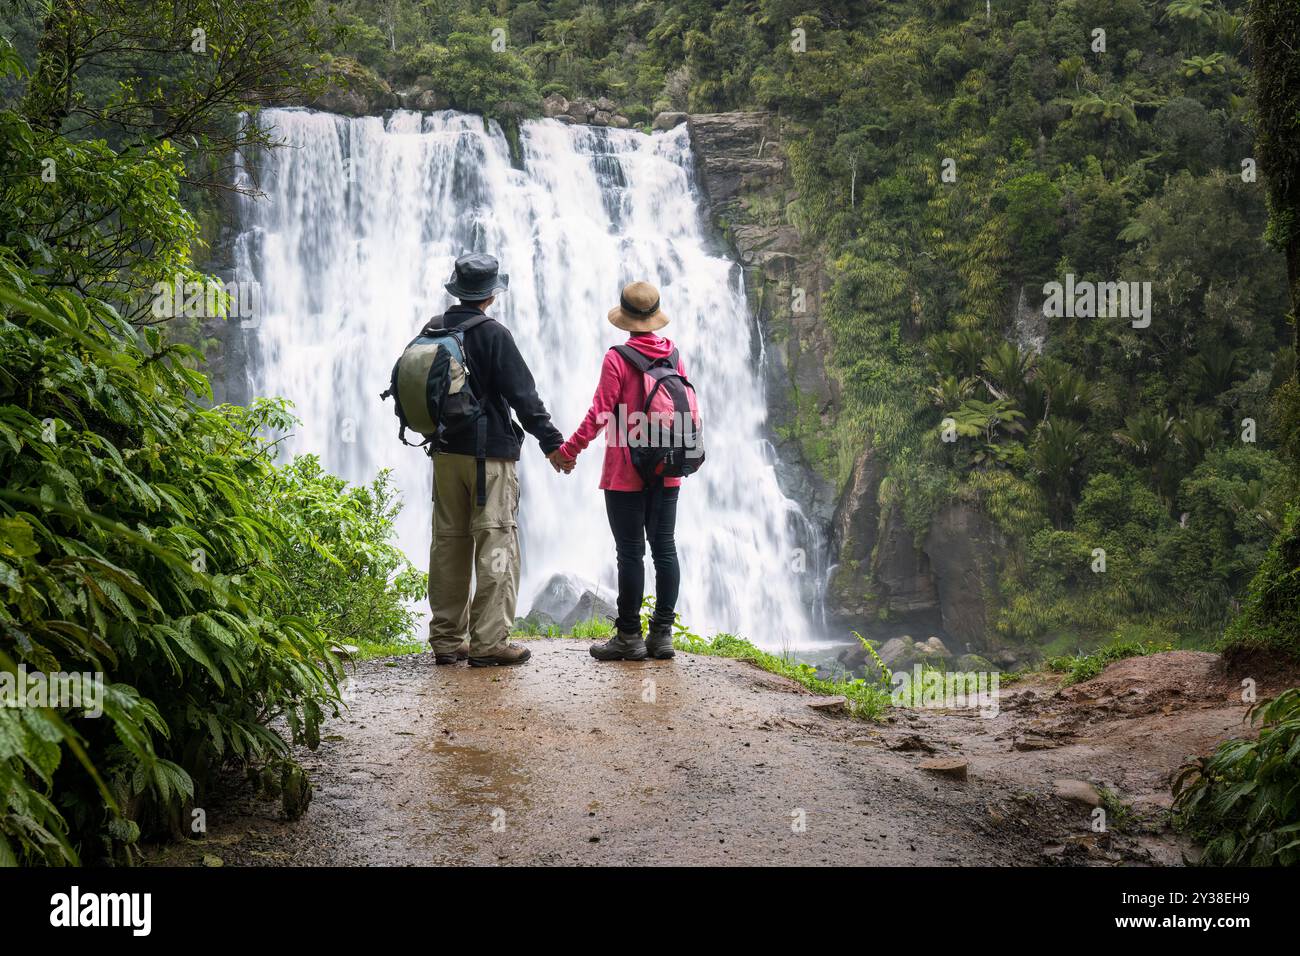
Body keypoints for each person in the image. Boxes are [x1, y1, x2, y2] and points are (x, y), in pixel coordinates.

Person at [426, 253, 573, 667]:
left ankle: (446, 639)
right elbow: (523, 397)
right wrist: (552, 444)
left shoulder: (433, 329)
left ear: (456, 289)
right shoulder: (493, 334)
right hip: (488, 457)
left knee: (449, 543)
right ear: (491, 295)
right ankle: (489, 642)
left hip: (444, 455)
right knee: (496, 542)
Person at [552, 281, 686, 662]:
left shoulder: (617, 357)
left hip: (626, 473)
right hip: (669, 467)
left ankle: (629, 636)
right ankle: (662, 634)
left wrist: (567, 452)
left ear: (626, 318)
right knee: (665, 548)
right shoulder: (674, 355)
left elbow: (600, 414)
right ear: (655, 316)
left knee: (630, 553)